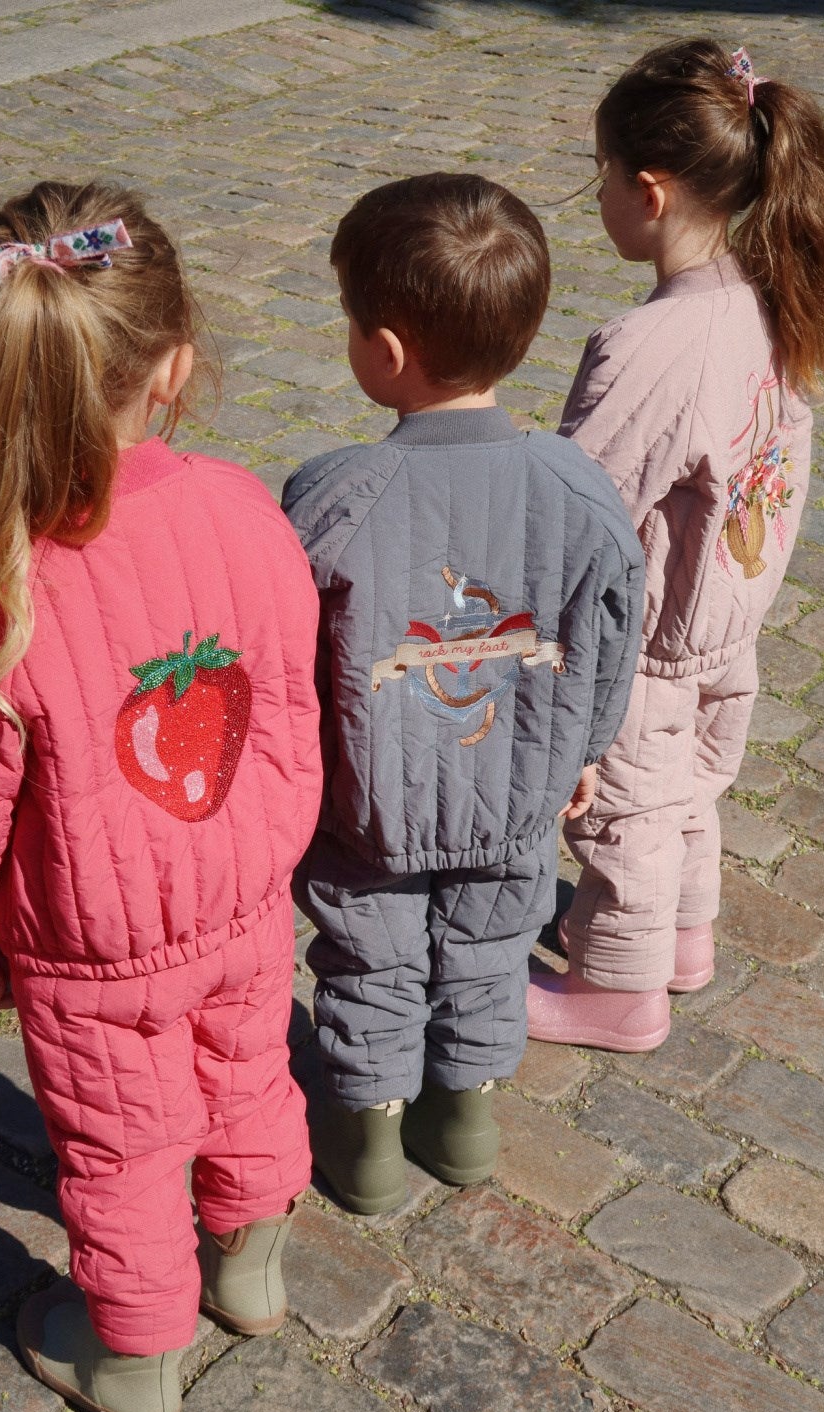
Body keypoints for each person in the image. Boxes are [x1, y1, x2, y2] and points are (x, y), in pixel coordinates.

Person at [0, 180, 322, 1412]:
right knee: (251, 1079)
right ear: (175, 366)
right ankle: (253, 1271)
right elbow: (290, 695)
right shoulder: (246, 512)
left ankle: (137, 1358)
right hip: (244, 901)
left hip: (91, 951)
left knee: (122, 1155)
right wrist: (280, 834)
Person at [283, 173, 644, 1214]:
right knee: (490, 949)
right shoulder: (577, 487)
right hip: (516, 794)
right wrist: (587, 749)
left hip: (369, 807)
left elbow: (286, 662)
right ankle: (465, 1121)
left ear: (386, 351)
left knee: (370, 960)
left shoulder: (333, 495)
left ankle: (367, 1141)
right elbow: (614, 632)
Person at [528, 39, 824, 1051]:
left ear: (650, 191)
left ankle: (618, 991)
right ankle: (682, 936)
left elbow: (581, 505)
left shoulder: (651, 348)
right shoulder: (769, 295)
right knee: (685, 791)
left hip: (649, 640)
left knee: (627, 809)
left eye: (600, 174)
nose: (597, 195)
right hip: (725, 619)